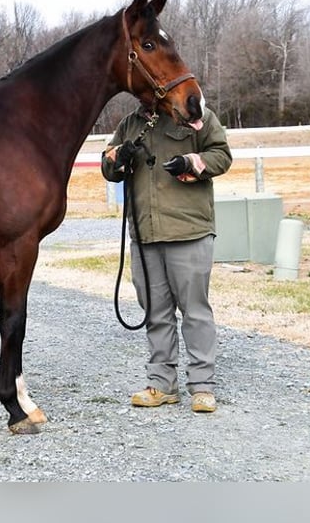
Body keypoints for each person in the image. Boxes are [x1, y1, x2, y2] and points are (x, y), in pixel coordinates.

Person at [101, 102, 232, 413]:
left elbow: (222, 154)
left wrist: (191, 163)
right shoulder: (131, 123)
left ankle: (202, 387)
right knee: (155, 313)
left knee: (195, 311)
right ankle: (162, 384)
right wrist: (120, 157)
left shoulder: (196, 115)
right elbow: (107, 166)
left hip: (188, 230)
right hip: (145, 234)